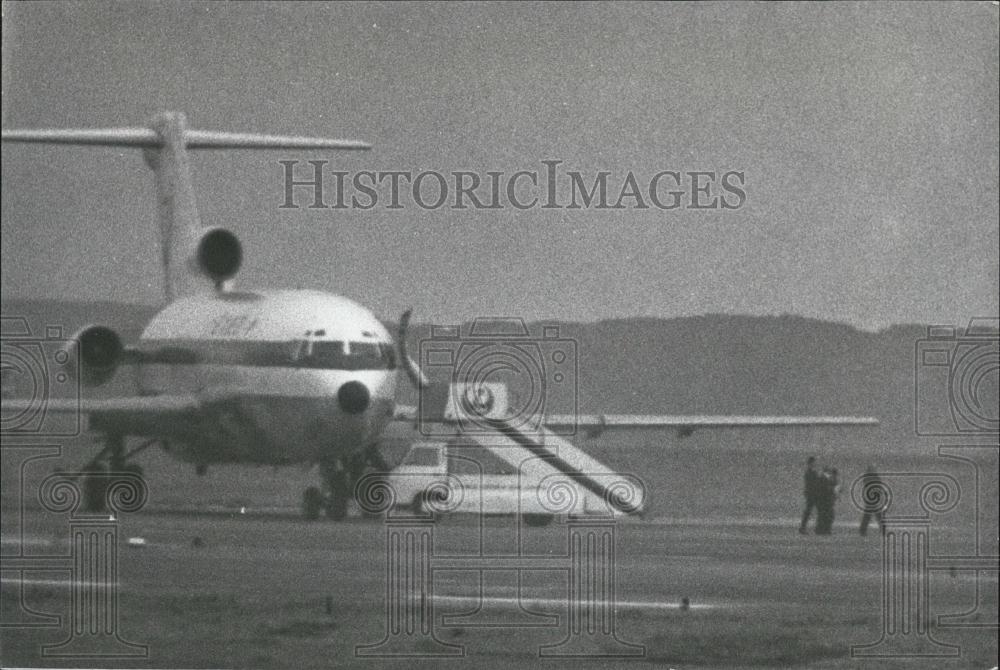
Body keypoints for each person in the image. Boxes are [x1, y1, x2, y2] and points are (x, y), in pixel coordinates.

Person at [859, 464, 886, 536]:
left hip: (871, 499)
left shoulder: (868, 478)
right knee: (877, 515)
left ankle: (863, 531)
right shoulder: (873, 478)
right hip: (872, 500)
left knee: (869, 515)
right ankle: (882, 530)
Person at [815, 467, 840, 535]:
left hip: (826, 500)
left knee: (824, 516)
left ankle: (822, 530)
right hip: (826, 501)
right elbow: (827, 489)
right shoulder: (827, 479)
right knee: (828, 516)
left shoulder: (827, 479)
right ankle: (825, 530)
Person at [799, 456, 820, 534]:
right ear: (811, 463)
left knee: (809, 511)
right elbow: (813, 483)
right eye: (814, 463)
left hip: (811, 494)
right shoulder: (810, 472)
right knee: (810, 511)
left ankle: (804, 527)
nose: (815, 464)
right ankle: (804, 528)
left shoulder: (810, 472)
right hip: (812, 495)